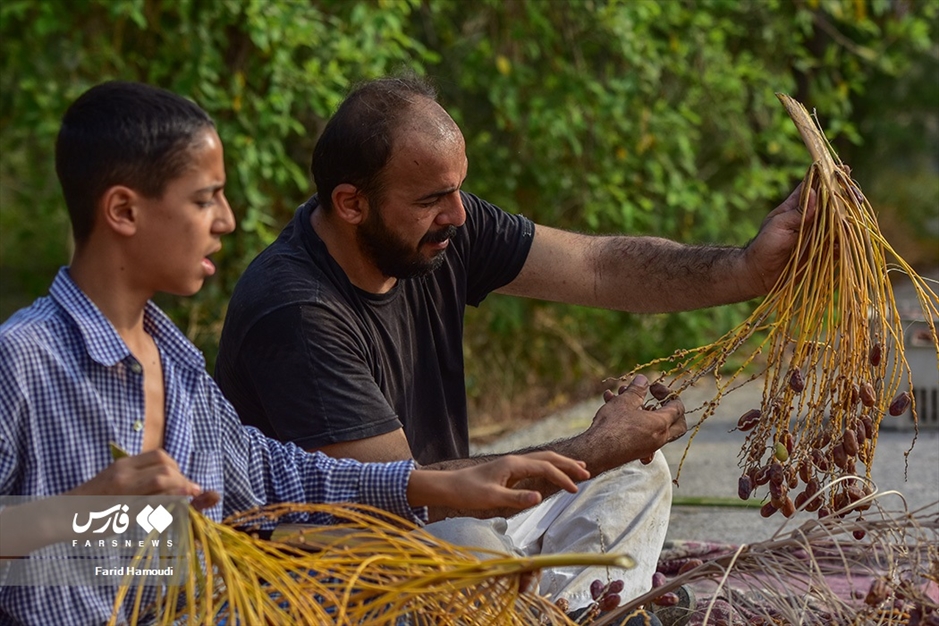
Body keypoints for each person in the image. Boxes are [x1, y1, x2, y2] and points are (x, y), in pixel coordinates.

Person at [0, 80, 595, 626]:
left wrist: (438, 485)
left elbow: (274, 473)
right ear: (124, 211)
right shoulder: (22, 361)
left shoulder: (178, 366)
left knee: (438, 572)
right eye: (205, 200)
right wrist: (82, 512)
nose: (227, 221)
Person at [215, 75, 812, 611]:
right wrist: (593, 445)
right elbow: (391, 494)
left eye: (457, 190)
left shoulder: (439, 231)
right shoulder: (295, 308)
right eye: (430, 200)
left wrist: (746, 269)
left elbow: (601, 265)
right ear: (351, 203)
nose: (458, 215)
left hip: (450, 516)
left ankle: (578, 610)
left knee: (635, 472)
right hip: (334, 561)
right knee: (467, 544)